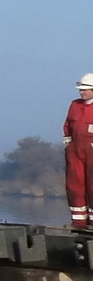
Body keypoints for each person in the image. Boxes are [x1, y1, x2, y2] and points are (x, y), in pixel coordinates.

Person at [65, 74, 93, 230]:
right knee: (74, 184)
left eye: (85, 90)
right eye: (80, 89)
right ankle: (78, 221)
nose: (81, 92)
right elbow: (68, 125)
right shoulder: (75, 105)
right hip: (75, 150)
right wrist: (68, 145)